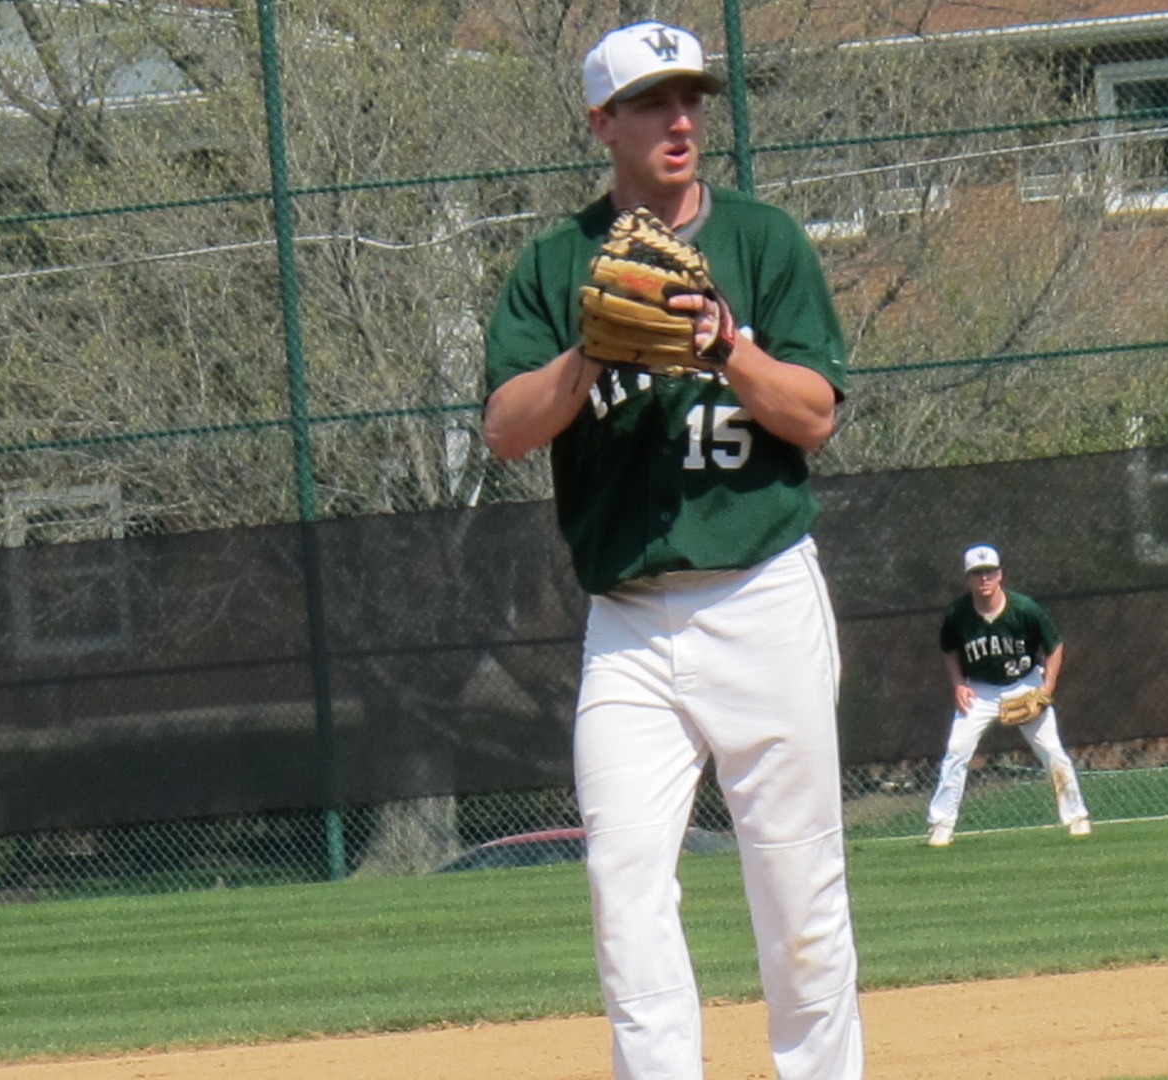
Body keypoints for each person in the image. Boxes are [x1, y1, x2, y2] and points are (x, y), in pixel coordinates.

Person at [480, 20, 862, 1080]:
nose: (681, 118)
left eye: (691, 96)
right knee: (626, 885)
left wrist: (727, 346)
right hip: (630, 623)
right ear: (602, 123)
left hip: (762, 596)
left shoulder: (764, 240)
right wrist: (586, 350)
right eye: (651, 101)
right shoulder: (557, 263)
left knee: (798, 893)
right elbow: (507, 428)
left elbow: (814, 417)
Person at [926, 543, 1091, 847]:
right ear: (968, 579)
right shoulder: (959, 614)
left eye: (989, 572)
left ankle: (1077, 817)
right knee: (956, 750)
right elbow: (949, 649)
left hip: (1025, 683)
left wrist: (1047, 688)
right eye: (977, 574)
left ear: (1000, 575)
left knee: (1052, 752)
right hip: (980, 688)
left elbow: (1054, 646)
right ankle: (941, 824)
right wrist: (958, 684)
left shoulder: (1024, 609)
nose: (984, 579)